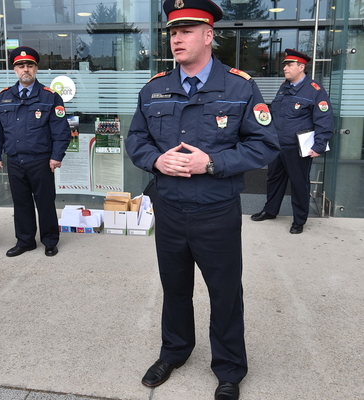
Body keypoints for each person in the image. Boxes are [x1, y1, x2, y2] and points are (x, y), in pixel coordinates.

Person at [124, 0, 280, 398]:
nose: (177, 38)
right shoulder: (155, 88)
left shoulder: (239, 86)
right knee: (174, 287)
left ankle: (229, 369)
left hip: (215, 211)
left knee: (224, 292)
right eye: (173, 32)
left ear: (209, 35)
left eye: (187, 31)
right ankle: (175, 351)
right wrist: (156, 159)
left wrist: (211, 163)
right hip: (170, 208)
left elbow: (264, 144)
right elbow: (136, 138)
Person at [0, 46, 70, 257]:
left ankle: (50, 241)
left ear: (36, 68)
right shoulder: (3, 97)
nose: (26, 69)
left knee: (45, 202)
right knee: (21, 203)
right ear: (15, 70)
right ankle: (25, 241)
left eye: (30, 65)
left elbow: (61, 131)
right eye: (21, 66)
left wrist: (56, 156)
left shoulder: (50, 97)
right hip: (15, 160)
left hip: (41, 160)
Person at [250, 49, 334, 234]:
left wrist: (319, 145)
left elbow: (324, 119)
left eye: (289, 65)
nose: (285, 68)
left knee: (298, 183)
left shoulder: (314, 90)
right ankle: (270, 210)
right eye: (285, 65)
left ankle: (299, 220)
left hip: (297, 147)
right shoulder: (284, 87)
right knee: (274, 179)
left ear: (301, 67)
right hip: (278, 144)